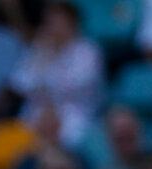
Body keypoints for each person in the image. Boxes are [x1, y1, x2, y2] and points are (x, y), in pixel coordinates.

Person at [9, 1, 103, 145]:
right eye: (50, 23)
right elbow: (19, 84)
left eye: (59, 22)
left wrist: (45, 92)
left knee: (71, 141)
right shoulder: (39, 49)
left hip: (74, 117)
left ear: (73, 24)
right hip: (36, 115)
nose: (53, 27)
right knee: (16, 144)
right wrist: (43, 56)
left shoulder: (88, 51)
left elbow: (77, 86)